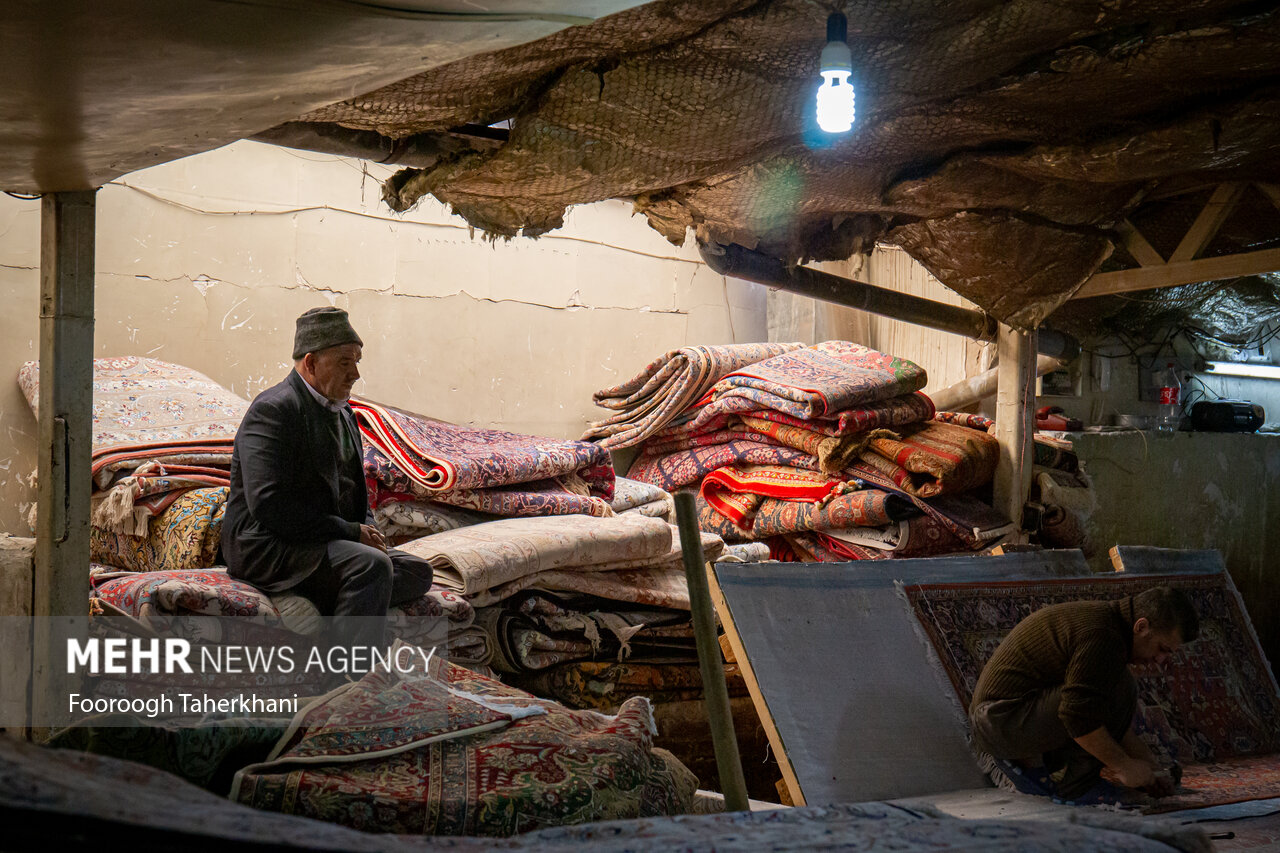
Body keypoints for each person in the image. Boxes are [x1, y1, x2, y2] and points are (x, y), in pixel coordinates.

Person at [222, 306, 433, 662]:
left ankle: (309, 599)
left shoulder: (343, 413)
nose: (356, 373)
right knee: (371, 567)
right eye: (345, 362)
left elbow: (355, 491)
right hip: (268, 544)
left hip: (322, 541)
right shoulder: (274, 410)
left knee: (417, 572)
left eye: (357, 360)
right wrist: (350, 533)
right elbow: (269, 506)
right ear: (310, 363)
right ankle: (342, 680)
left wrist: (367, 528)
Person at [969, 585, 1199, 801]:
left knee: (1122, 687)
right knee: (1109, 694)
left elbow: (1104, 713)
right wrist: (1122, 766)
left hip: (1011, 718)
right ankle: (1072, 788)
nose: (1160, 660)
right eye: (1162, 649)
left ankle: (1068, 778)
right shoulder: (1102, 635)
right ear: (1141, 627)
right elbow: (1077, 715)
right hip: (997, 722)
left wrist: (1150, 767)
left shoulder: (1112, 631)